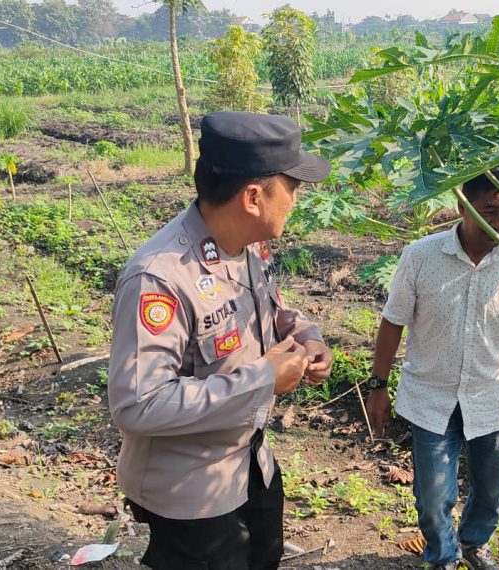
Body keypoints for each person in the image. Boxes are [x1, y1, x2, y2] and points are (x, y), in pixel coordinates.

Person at [107, 111, 333, 570]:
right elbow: (137, 403)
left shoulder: (249, 244)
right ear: (253, 197)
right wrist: (263, 378)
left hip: (250, 461)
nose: (296, 200)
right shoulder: (161, 277)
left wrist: (306, 336)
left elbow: (270, 309)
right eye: (292, 187)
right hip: (191, 493)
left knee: (264, 556)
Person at [365, 166, 499, 570]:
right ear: (463, 206)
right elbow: (392, 322)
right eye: (488, 211)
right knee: (432, 498)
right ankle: (443, 556)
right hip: (431, 398)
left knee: (491, 492)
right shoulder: (420, 256)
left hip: (490, 399)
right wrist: (378, 385)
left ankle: (473, 543)